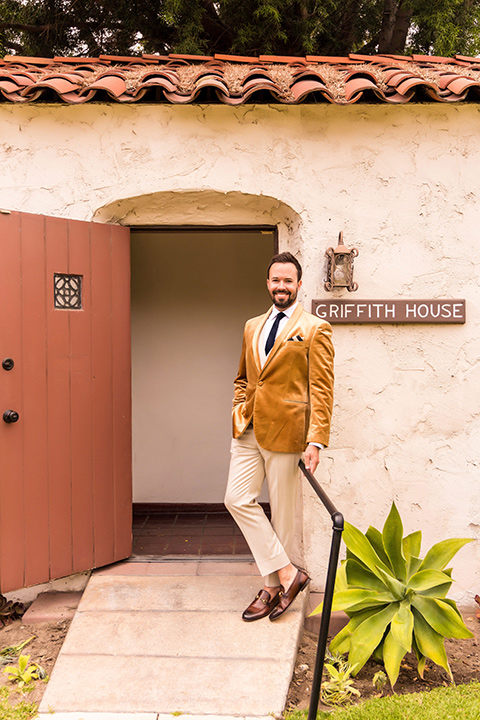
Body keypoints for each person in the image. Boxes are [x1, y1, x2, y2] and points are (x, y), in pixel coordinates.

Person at [224, 251, 334, 622]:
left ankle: (271, 588)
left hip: (289, 433)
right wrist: (239, 408)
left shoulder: (314, 328)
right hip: (248, 429)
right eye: (275, 280)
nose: (281, 286)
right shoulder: (252, 325)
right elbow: (243, 377)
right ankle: (289, 575)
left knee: (283, 517)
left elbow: (322, 389)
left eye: (288, 281)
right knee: (237, 499)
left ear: (299, 285)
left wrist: (315, 440)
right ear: (268, 283)